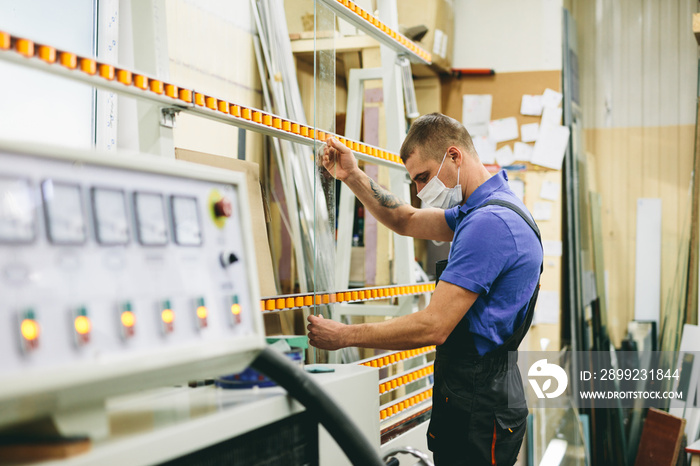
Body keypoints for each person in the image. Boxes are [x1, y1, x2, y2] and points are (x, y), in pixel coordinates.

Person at [307, 113, 543, 466]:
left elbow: (434, 325)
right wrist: (352, 176)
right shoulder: (485, 208)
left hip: (478, 401)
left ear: (454, 156)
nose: (419, 191)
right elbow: (405, 219)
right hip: (479, 390)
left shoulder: (488, 224)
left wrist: (345, 334)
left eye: (423, 177)